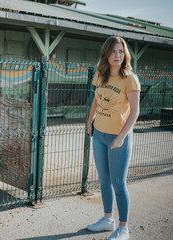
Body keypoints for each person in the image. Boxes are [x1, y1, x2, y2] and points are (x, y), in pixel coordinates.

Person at [86, 36, 141, 240]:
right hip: (99, 135)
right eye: (113, 51)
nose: (117, 55)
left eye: (120, 51)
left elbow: (135, 112)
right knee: (104, 181)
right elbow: (96, 100)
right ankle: (107, 219)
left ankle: (123, 228)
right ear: (106, 54)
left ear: (125, 54)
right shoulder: (100, 75)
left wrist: (121, 137)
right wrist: (89, 122)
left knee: (118, 183)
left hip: (119, 138)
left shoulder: (130, 78)